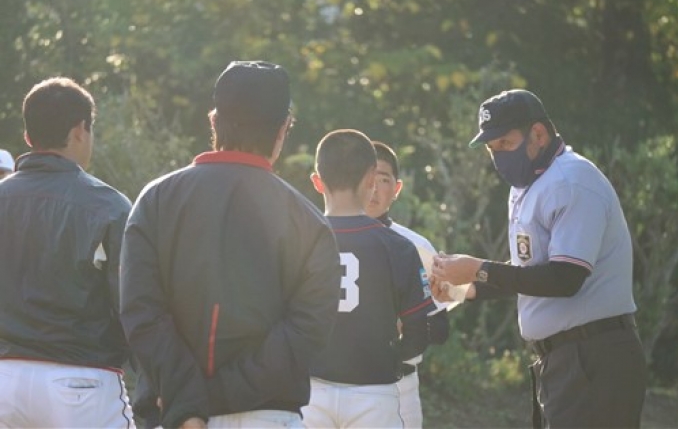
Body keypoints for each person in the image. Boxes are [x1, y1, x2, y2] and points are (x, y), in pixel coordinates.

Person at [119, 61, 343, 429]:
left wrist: (189, 402)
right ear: (283, 128)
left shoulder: (155, 200)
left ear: (213, 121)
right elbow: (306, 330)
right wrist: (211, 397)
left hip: (173, 411)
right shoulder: (308, 220)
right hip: (266, 414)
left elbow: (140, 310)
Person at [429, 89, 647, 428]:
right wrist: (465, 288)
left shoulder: (572, 180)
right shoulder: (529, 185)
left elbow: (565, 278)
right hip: (563, 359)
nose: (499, 155)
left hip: (594, 356)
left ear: (539, 134)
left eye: (505, 143)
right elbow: (529, 274)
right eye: (492, 148)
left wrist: (479, 269)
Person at [0, 77, 135, 427]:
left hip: (4, 380)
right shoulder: (108, 204)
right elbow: (131, 302)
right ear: (80, 130)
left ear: (28, 136)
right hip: (81, 380)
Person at [302, 129, 437, 428]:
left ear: (317, 181)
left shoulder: (297, 241)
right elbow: (419, 331)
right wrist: (389, 362)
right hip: (374, 393)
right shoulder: (398, 246)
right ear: (371, 180)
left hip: (311, 391)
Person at [365, 140, 450, 428]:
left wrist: (405, 323)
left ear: (397, 188)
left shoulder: (415, 245)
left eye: (383, 179)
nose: (374, 188)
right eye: (367, 178)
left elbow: (440, 329)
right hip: (331, 384)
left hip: (399, 386)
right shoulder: (324, 236)